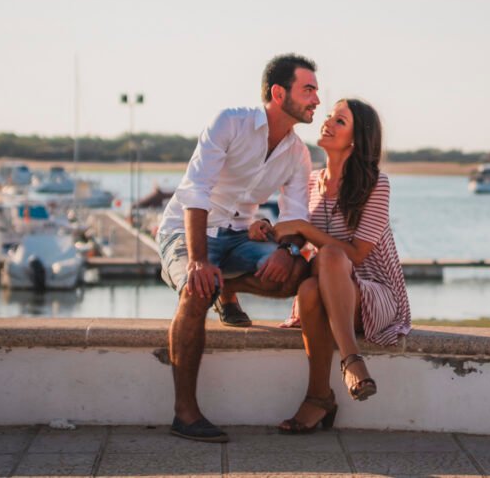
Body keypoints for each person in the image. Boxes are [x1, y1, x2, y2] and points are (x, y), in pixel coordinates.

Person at [155, 53, 319, 443]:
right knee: (197, 289)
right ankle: (185, 413)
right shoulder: (230, 122)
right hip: (187, 232)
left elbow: (295, 217)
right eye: (308, 90)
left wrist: (287, 252)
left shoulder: (298, 153)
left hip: (240, 236)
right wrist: (198, 261)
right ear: (278, 93)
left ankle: (225, 287)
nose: (316, 100)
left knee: (296, 274)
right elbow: (196, 191)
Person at [268, 98, 411, 434]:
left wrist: (303, 228)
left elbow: (357, 254)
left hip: (373, 293)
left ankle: (349, 358)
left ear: (356, 140)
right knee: (308, 288)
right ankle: (320, 396)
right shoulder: (308, 181)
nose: (328, 122)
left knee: (332, 255)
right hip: (324, 287)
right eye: (330, 116)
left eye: (340, 121)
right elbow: (295, 236)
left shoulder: (376, 183)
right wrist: (270, 230)